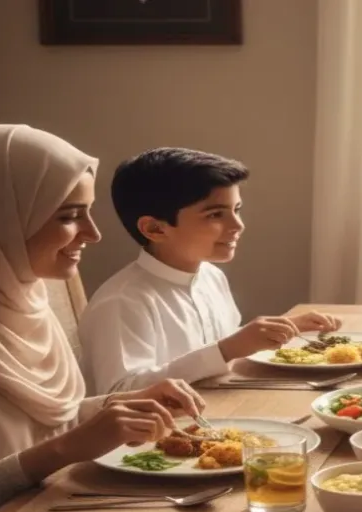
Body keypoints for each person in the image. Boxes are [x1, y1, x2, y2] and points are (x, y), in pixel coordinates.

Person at [0, 125, 205, 512]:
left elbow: (38, 425)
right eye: (68, 215)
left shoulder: (20, 301)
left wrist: (114, 408)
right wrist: (61, 450)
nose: (93, 233)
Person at [77, 148, 341, 393]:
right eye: (215, 215)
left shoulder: (211, 276)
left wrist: (284, 328)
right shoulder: (122, 302)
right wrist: (226, 350)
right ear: (155, 229)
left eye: (236, 210)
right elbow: (120, 393)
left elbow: (219, 347)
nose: (238, 225)